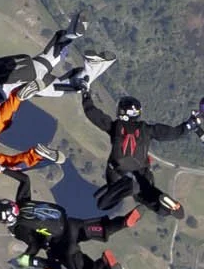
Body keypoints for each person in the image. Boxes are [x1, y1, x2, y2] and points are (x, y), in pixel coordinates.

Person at [0, 166, 134, 269]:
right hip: (70, 225)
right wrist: (2, 169)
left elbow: (35, 245)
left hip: (62, 246)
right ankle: (124, 222)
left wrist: (25, 258)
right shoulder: (22, 203)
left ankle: (106, 265)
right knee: (102, 229)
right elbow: (25, 179)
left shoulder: (19, 228)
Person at [0, 14, 111, 104]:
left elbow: (4, 103)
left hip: (37, 82)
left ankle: (91, 67)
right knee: (53, 52)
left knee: (71, 87)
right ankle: (70, 34)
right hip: (34, 64)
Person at [81, 90, 189, 218]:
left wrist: (86, 96)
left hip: (119, 174)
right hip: (142, 175)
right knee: (145, 196)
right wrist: (188, 126)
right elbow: (171, 134)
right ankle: (165, 208)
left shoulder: (115, 127)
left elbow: (93, 114)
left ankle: (132, 185)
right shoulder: (147, 129)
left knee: (102, 204)